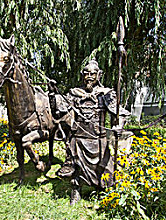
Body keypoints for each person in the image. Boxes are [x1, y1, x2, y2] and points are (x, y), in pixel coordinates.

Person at [49, 60, 130, 204]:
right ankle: (76, 192)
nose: (89, 76)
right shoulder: (74, 93)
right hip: (78, 138)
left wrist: (119, 126)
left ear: (99, 75)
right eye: (86, 73)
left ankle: (105, 191)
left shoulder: (105, 94)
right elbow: (60, 110)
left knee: (105, 168)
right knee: (77, 167)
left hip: (98, 139)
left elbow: (120, 113)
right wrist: (53, 94)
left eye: (93, 73)